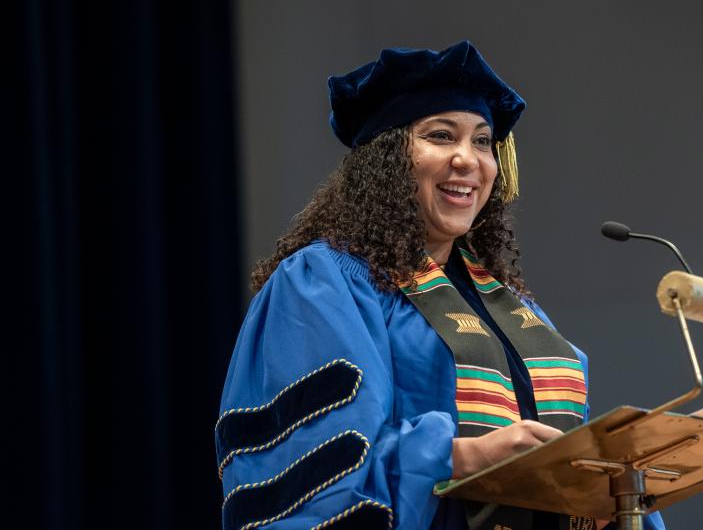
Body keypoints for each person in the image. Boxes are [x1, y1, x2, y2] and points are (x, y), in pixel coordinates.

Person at [215, 41, 665, 530]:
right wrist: (462, 457)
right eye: (441, 135)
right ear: (386, 163)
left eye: (481, 140)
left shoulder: (511, 308)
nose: (467, 159)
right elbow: (318, 469)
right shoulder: (324, 283)